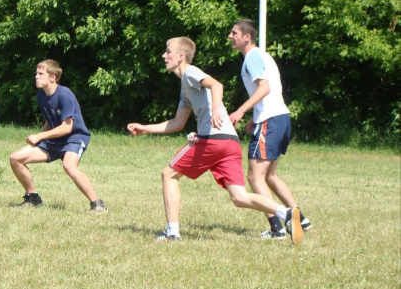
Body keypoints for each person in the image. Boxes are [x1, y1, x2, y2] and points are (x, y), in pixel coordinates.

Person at [127, 37, 303, 244]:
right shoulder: (186, 86)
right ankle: (286, 213)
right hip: (230, 143)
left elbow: (216, 85)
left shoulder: (191, 72)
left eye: (168, 52)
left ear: (181, 56)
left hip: (212, 139)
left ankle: (172, 232)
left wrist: (216, 109)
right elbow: (177, 123)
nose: (164, 56)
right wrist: (145, 128)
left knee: (168, 175)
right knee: (240, 197)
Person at [227, 19, 311, 240]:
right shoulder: (263, 56)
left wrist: (241, 111)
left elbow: (265, 87)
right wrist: (256, 116)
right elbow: (270, 90)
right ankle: (300, 219)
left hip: (270, 120)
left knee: (255, 178)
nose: (230, 36)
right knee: (270, 175)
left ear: (247, 37)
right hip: (280, 116)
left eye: (234, 32)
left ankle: (278, 228)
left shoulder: (252, 57)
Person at [9, 59, 107, 213]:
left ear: (53, 77)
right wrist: (39, 137)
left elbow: (67, 128)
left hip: (74, 138)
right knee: (15, 158)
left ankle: (97, 204)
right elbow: (50, 120)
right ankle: (33, 198)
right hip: (54, 140)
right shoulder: (42, 96)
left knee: (69, 166)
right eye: (36, 73)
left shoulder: (65, 95)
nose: (36, 76)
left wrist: (40, 137)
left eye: (41, 74)